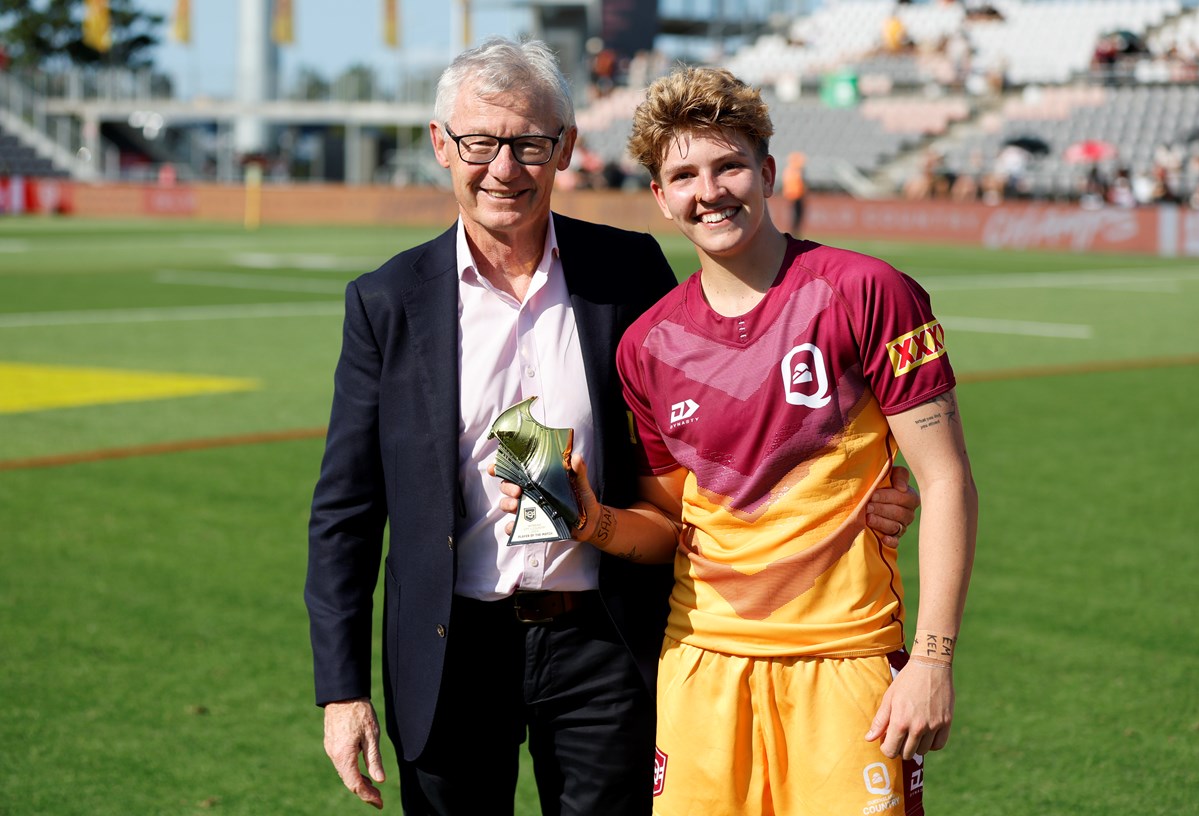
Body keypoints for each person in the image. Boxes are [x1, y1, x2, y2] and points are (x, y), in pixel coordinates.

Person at [305, 38, 921, 815]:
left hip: (603, 641)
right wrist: (341, 691)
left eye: (530, 144)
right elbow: (347, 510)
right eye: (480, 143)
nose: (504, 168)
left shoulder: (629, 271)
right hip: (450, 647)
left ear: (565, 148)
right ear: (441, 145)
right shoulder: (386, 300)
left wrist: (864, 481)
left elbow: (717, 423)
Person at [522, 66, 978, 815]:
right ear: (661, 197)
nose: (710, 191)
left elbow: (947, 479)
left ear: (766, 173)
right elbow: (673, 525)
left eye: (728, 165)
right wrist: (589, 519)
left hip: (845, 660)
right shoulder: (646, 346)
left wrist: (932, 661)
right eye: (684, 176)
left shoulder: (868, 292)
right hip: (701, 665)